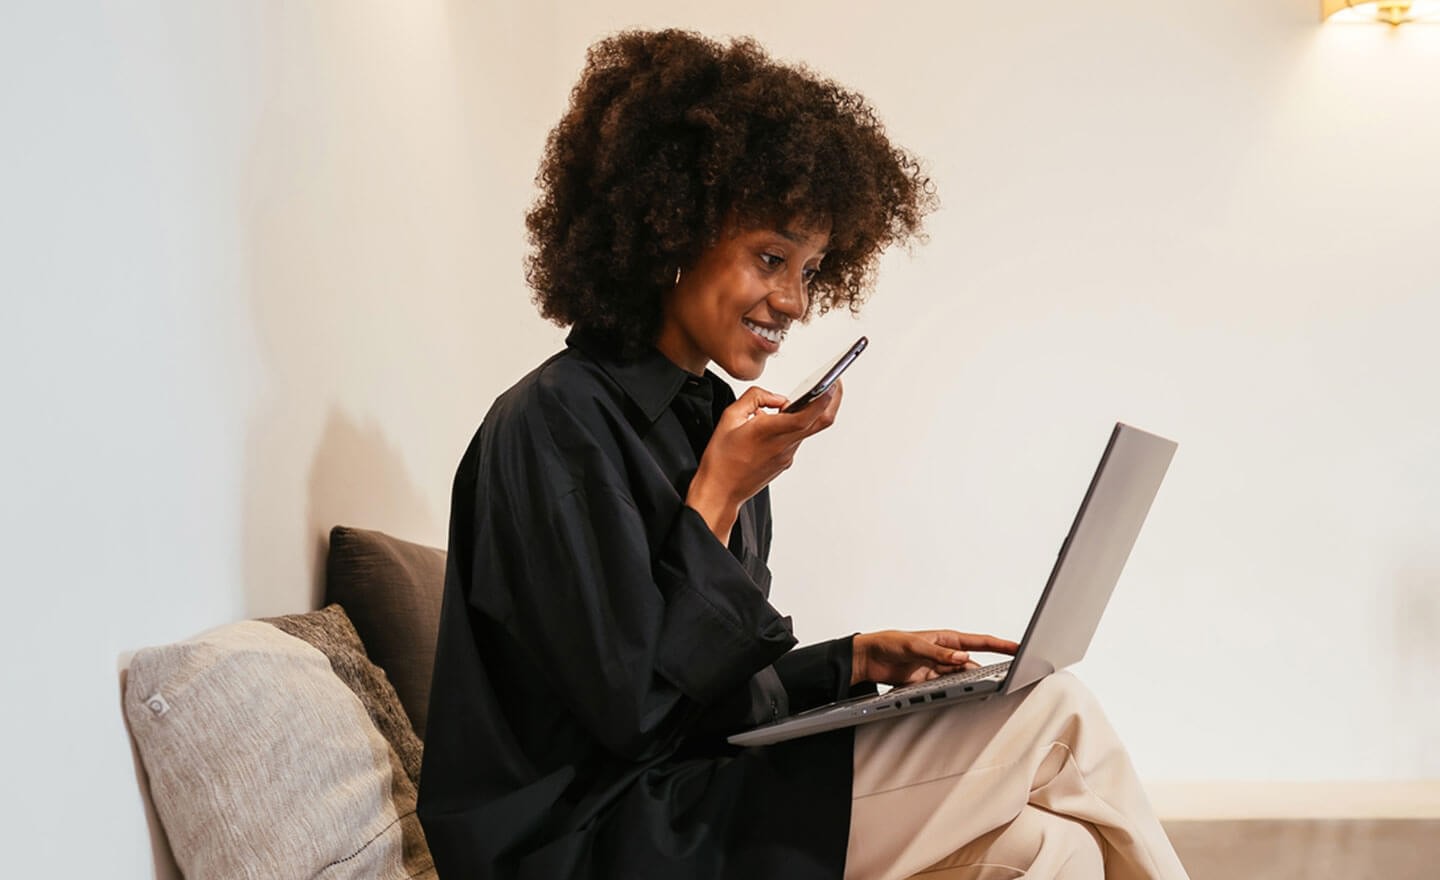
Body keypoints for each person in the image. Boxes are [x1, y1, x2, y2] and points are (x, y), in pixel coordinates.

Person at [417, 29, 1190, 880]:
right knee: (1056, 711)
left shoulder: (713, 419)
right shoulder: (551, 425)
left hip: (683, 796)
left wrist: (854, 659)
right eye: (770, 257)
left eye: (812, 268)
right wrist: (717, 494)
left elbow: (702, 695)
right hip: (588, 842)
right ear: (667, 230)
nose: (792, 300)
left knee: (1053, 848)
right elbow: (633, 712)